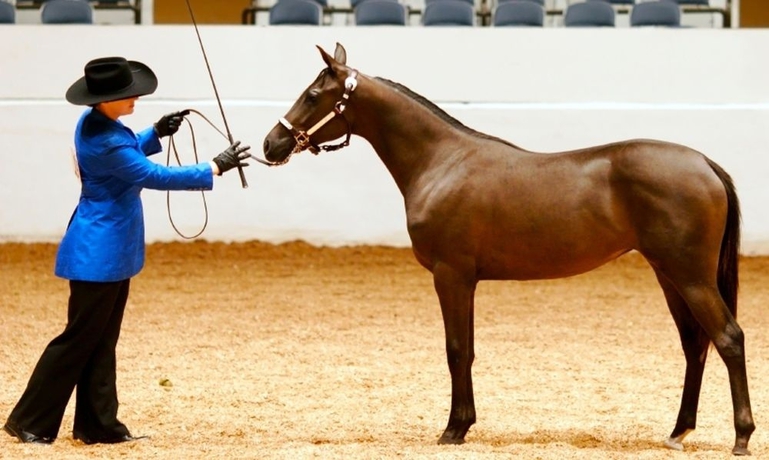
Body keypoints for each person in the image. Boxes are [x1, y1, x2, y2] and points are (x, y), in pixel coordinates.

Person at [2, 56, 251, 445]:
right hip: (97, 253)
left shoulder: (99, 124)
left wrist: (155, 133)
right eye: (127, 94)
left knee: (100, 340)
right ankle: (30, 419)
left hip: (108, 251)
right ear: (104, 100)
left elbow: (131, 148)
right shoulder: (105, 140)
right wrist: (213, 168)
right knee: (78, 340)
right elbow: (152, 175)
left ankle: (98, 425)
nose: (135, 97)